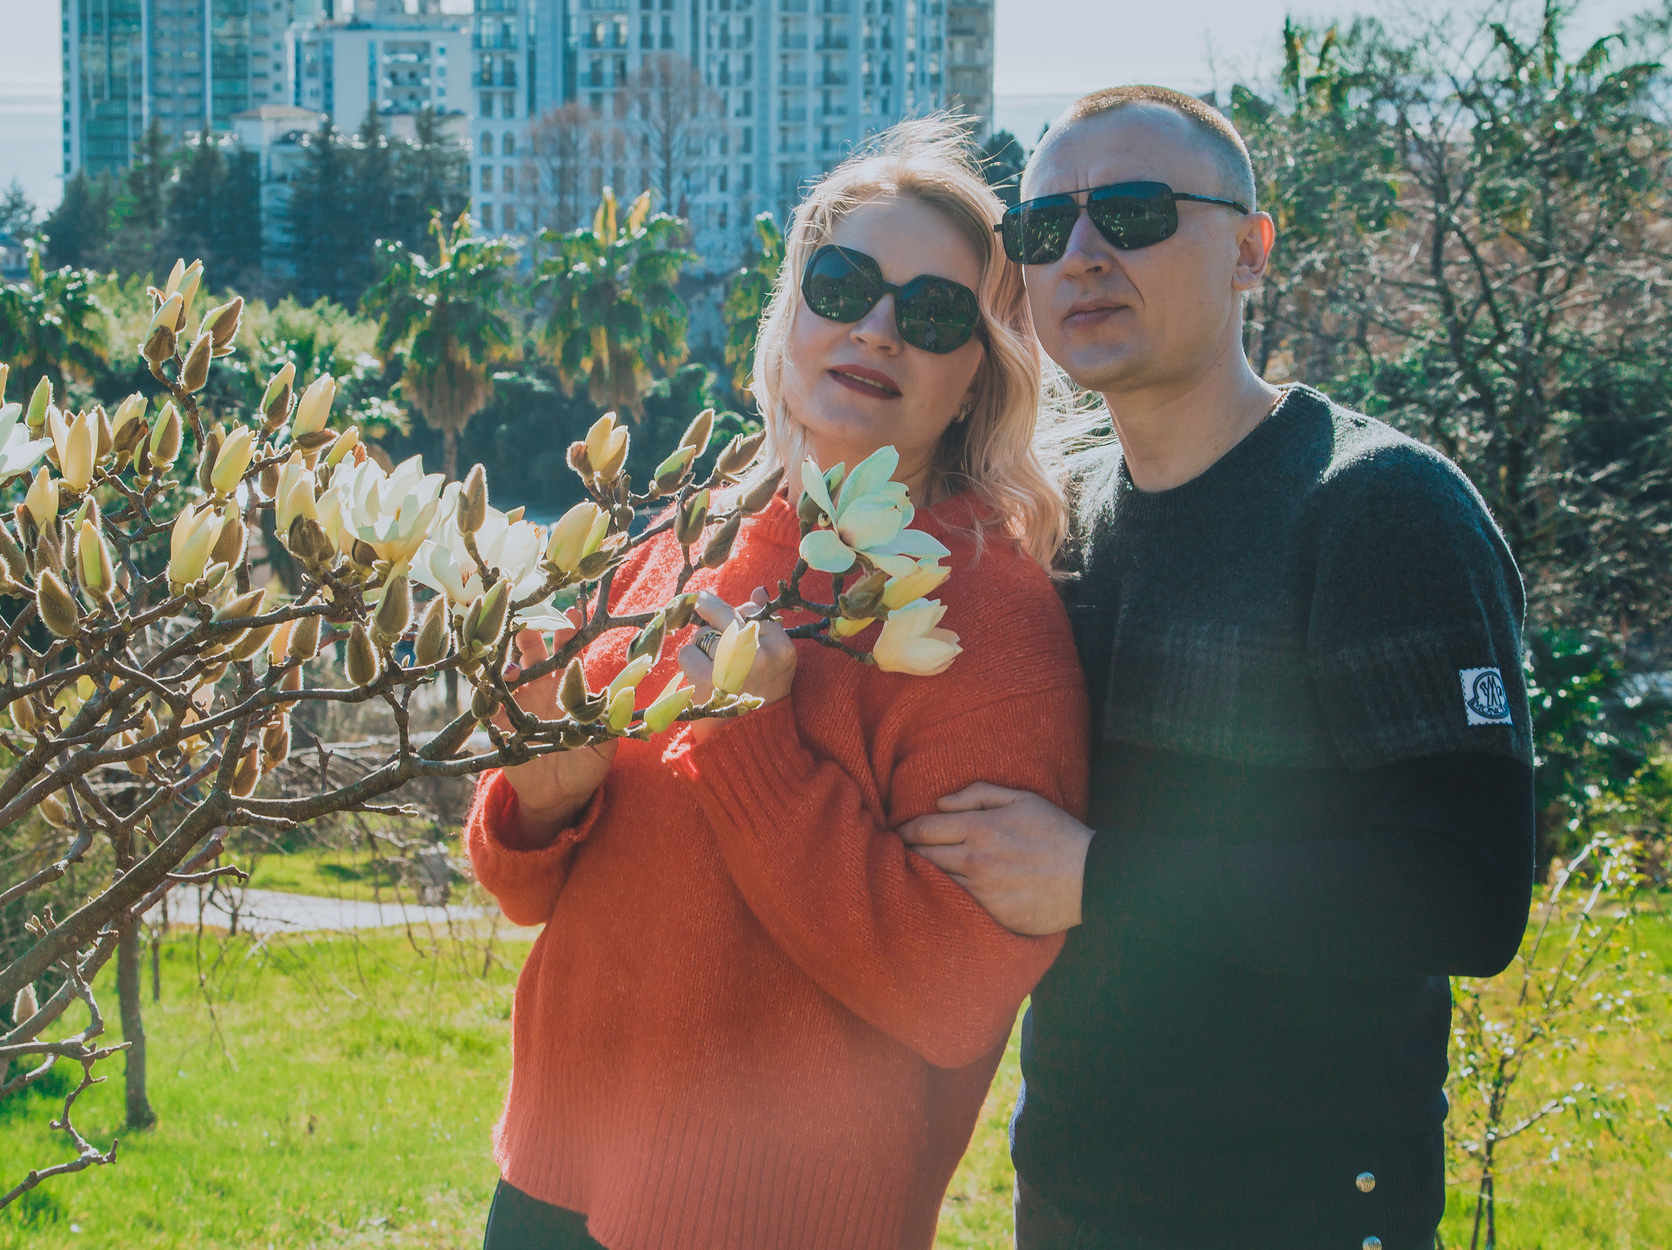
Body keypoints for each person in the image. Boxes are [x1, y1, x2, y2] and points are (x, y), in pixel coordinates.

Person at [898, 87, 1537, 1249]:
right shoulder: (1055, 515)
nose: (1082, 254)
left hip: (1303, 1212)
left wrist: (1098, 876)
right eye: (1042, 228)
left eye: (1134, 211)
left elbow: (1467, 895)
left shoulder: (1377, 509)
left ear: (1250, 252)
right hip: (1071, 1200)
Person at [467, 126, 1089, 1250]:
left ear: (977, 375)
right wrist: (538, 801)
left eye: (933, 314)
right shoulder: (696, 532)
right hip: (552, 1180)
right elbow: (532, 887)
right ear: (791, 314)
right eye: (842, 284)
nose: (877, 327)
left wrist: (754, 745)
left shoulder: (990, 622)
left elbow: (955, 990)